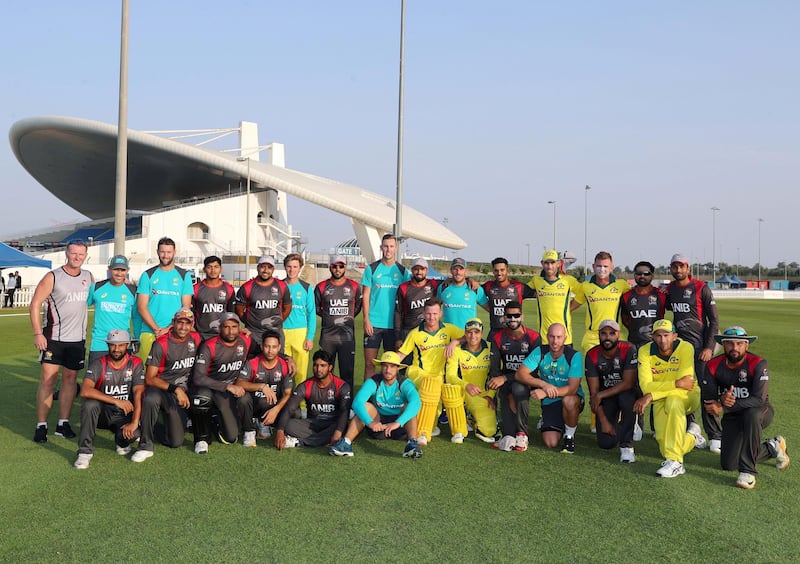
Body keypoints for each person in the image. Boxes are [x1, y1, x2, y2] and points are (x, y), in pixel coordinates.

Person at [700, 326, 790, 489]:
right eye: (730, 344)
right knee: (729, 464)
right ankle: (772, 447)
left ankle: (748, 472)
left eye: (740, 344)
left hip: (761, 411)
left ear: (746, 346)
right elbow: (710, 400)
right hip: (733, 416)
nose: (735, 348)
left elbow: (758, 399)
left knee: (751, 415)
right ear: (723, 344)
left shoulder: (758, 363)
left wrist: (724, 407)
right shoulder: (713, 365)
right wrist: (720, 400)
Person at [30, 239, 94, 443]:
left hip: (77, 340)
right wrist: (38, 333)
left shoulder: (88, 276)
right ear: (67, 253)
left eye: (81, 254)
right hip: (53, 338)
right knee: (48, 381)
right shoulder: (53, 276)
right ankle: (41, 425)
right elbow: (35, 304)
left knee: (69, 381)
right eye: (74, 253)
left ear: (85, 256)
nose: (77, 257)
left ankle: (62, 424)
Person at [634, 319, 705, 478]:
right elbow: (646, 386)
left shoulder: (685, 347)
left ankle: (676, 462)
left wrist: (652, 394)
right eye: (658, 336)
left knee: (674, 401)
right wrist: (673, 384)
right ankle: (692, 437)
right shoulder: (645, 351)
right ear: (653, 336)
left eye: (666, 335)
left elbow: (685, 384)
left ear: (674, 336)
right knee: (664, 445)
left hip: (687, 396)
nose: (662, 340)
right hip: (660, 398)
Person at [665, 253, 721, 452]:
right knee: (682, 388)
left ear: (688, 268)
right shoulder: (670, 289)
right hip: (680, 349)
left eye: (682, 266)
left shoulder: (701, 288)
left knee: (707, 389)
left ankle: (715, 434)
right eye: (674, 267)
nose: (678, 270)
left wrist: (708, 347)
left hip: (700, 349)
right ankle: (692, 427)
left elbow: (714, 321)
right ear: (671, 268)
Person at [133, 307, 201, 462]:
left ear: (192, 325)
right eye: (180, 323)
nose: (183, 327)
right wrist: (175, 389)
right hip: (163, 390)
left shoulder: (196, 339)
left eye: (187, 323)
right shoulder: (161, 344)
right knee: (151, 397)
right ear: (173, 323)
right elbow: (150, 378)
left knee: (175, 441)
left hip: (182, 393)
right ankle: (145, 444)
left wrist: (244, 333)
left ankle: (144, 424)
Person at [329, 351, 422, 458]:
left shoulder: (404, 383)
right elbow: (357, 402)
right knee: (366, 406)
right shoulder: (374, 381)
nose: (388, 370)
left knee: (408, 407)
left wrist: (397, 423)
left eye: (392, 366)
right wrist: (371, 423)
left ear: (398, 368)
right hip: (378, 426)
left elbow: (416, 402)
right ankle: (346, 443)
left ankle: (412, 444)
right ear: (381, 367)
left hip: (399, 427)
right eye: (385, 366)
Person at [73, 329, 144, 469]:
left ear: (128, 345)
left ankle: (120, 440)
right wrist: (116, 400)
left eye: (121, 345)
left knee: (133, 434)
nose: (116, 349)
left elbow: (138, 394)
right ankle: (84, 452)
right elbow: (85, 390)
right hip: (102, 414)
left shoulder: (135, 363)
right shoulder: (99, 363)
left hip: (123, 415)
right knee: (90, 405)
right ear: (108, 345)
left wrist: (135, 422)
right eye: (113, 345)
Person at [396, 298, 463, 444]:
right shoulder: (415, 333)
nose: (431, 317)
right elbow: (402, 354)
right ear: (423, 314)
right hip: (418, 373)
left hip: (438, 376)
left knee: (434, 411)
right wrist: (389, 365)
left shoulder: (449, 329)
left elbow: (469, 336)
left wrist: (455, 341)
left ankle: (429, 427)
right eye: (428, 314)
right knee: (430, 386)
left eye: (435, 313)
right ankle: (422, 434)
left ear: (441, 313)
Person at [189, 312, 257, 454]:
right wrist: (227, 386)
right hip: (212, 388)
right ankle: (202, 437)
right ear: (220, 328)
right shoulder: (209, 345)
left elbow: (264, 352)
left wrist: (287, 358)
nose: (231, 331)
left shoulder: (246, 340)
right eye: (226, 327)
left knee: (231, 438)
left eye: (234, 326)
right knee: (202, 397)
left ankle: (216, 420)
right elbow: (198, 377)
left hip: (230, 391)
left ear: (240, 327)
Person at [514, 323, 584, 453]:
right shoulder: (540, 351)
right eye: (552, 337)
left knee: (569, 401)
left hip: (570, 398)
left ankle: (569, 436)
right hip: (551, 401)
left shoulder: (574, 356)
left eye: (559, 337)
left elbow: (573, 389)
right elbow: (520, 374)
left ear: (565, 338)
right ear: (547, 337)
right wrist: (544, 385)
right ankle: (555, 421)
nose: (555, 341)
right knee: (550, 442)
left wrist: (546, 393)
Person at [487, 301, 542, 452]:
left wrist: (505, 378)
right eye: (509, 316)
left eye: (516, 315)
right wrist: (498, 381)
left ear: (522, 316)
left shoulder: (533, 337)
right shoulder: (497, 337)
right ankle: (510, 433)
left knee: (518, 389)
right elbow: (495, 366)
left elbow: (534, 371)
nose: (513, 319)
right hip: (506, 381)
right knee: (508, 434)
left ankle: (522, 433)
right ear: (504, 317)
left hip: (527, 380)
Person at [274, 350, 352, 450]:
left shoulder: (341, 386)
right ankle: (323, 439)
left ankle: (300, 442)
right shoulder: (305, 386)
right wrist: (280, 431)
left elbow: (344, 411)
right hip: (313, 424)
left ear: (330, 367)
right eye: (316, 365)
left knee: (343, 427)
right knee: (288, 426)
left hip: (332, 424)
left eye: (323, 366)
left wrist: (338, 431)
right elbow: (289, 409)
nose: (318, 369)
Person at [585, 320, 638, 463]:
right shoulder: (592, 355)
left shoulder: (629, 349)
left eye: (612, 333)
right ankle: (623, 425)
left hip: (625, 393)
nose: (607, 337)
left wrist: (601, 394)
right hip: (606, 398)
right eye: (604, 333)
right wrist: (603, 421)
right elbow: (594, 394)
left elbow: (628, 383)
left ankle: (627, 446)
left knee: (627, 399)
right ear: (599, 335)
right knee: (606, 443)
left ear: (618, 334)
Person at [361, 233, 410, 381]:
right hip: (374, 324)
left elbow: (407, 297)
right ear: (381, 247)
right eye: (386, 246)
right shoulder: (372, 269)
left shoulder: (403, 272)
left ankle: (390, 399)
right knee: (370, 364)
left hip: (394, 327)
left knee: (392, 365)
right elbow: (366, 296)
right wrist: (366, 320)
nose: (388, 249)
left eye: (391, 246)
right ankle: (367, 400)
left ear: (396, 248)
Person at [136, 237, 194, 360]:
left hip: (175, 332)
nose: (165, 255)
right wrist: (157, 329)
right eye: (162, 252)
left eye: (169, 252)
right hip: (149, 332)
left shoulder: (184, 276)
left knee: (171, 372)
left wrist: (168, 329)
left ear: (174, 253)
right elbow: (141, 307)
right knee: (147, 373)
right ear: (157, 252)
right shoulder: (148, 275)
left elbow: (186, 308)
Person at [236, 330, 294, 447]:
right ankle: (249, 430)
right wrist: (261, 386)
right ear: (262, 346)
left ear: (279, 347)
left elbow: (288, 394)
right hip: (254, 405)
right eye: (267, 346)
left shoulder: (284, 365)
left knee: (295, 412)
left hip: (272, 406)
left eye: (273, 347)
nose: (270, 350)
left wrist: (276, 409)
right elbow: (239, 383)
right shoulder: (252, 363)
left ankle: (264, 423)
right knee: (243, 398)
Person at [445, 318, 497, 443]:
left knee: (488, 431)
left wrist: (490, 395)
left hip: (482, 395)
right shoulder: (457, 350)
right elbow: (450, 376)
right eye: (469, 332)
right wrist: (466, 385)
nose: (473, 336)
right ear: (465, 333)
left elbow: (496, 375)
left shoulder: (490, 349)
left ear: (482, 333)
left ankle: (470, 418)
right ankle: (459, 428)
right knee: (449, 388)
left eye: (476, 332)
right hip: (462, 391)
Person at [314, 255, 362, 388]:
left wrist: (347, 317)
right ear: (330, 267)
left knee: (347, 373)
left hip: (347, 338)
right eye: (335, 266)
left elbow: (357, 307)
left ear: (345, 267)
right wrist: (330, 318)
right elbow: (317, 309)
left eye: (341, 266)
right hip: (327, 338)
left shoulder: (354, 286)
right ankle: (327, 401)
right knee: (324, 373)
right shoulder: (321, 287)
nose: (338, 269)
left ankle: (347, 405)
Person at [575, 251, 630, 353]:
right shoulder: (586, 286)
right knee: (594, 367)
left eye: (605, 266)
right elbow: (568, 307)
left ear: (611, 267)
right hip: (593, 337)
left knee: (618, 368)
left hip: (616, 334)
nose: (602, 269)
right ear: (593, 266)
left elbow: (637, 296)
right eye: (599, 266)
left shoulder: (622, 285)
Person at [87, 255, 137, 365]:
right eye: (116, 269)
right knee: (95, 380)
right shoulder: (96, 287)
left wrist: (137, 339)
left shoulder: (133, 291)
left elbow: (136, 318)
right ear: (109, 269)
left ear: (128, 270)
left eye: (123, 270)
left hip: (122, 344)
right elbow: (83, 306)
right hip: (100, 344)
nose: (119, 273)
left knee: (123, 381)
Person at [527, 249, 584, 345]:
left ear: (558, 263)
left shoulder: (568, 281)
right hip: (544, 339)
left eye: (552, 262)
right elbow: (522, 291)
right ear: (542, 263)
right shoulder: (536, 281)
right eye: (546, 263)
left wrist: (571, 307)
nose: (549, 266)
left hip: (565, 339)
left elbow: (583, 293)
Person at [235, 254, 292, 347]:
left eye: (269, 267)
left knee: (277, 360)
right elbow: (239, 310)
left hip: (275, 332)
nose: (266, 270)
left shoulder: (282, 286)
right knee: (253, 361)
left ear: (273, 269)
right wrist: (250, 323)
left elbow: (287, 308)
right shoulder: (247, 287)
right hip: (253, 333)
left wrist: (278, 320)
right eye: (263, 267)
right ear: (258, 268)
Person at [282, 252, 316, 385]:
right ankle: (282, 401)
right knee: (283, 370)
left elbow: (311, 313)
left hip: (300, 333)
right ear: (285, 267)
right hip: (282, 332)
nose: (292, 270)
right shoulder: (279, 286)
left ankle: (301, 403)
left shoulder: (306, 288)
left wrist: (310, 337)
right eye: (289, 266)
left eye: (295, 267)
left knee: (301, 372)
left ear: (300, 267)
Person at [482, 257, 536, 338]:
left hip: (515, 334)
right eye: (496, 270)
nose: (499, 273)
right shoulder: (488, 286)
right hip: (494, 333)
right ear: (493, 271)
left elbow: (539, 294)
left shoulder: (519, 287)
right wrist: (469, 280)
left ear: (507, 270)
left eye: (502, 270)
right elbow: (473, 292)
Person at [394, 257, 440, 350]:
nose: (419, 272)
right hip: (409, 331)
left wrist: (469, 280)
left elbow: (454, 281)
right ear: (412, 270)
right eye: (416, 269)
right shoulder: (403, 288)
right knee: (406, 363)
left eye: (422, 269)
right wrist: (398, 338)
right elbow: (398, 313)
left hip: (429, 331)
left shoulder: (434, 284)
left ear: (426, 270)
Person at [620, 261, 666, 348]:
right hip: (634, 344)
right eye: (639, 273)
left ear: (652, 276)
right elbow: (625, 319)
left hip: (656, 345)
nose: (642, 276)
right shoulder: (626, 296)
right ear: (634, 275)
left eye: (646, 274)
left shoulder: (661, 295)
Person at [192, 255, 236, 341]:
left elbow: (232, 314)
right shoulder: (196, 289)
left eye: (216, 267)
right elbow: (192, 312)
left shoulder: (229, 289)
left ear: (221, 269)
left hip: (222, 335)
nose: (213, 270)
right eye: (209, 267)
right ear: (204, 269)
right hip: (202, 335)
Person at [437, 257, 488, 329]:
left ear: (466, 271)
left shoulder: (475, 288)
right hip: (448, 335)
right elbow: (435, 309)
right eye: (455, 269)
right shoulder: (443, 288)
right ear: (451, 271)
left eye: (461, 269)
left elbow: (489, 309)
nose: (458, 272)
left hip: (468, 335)